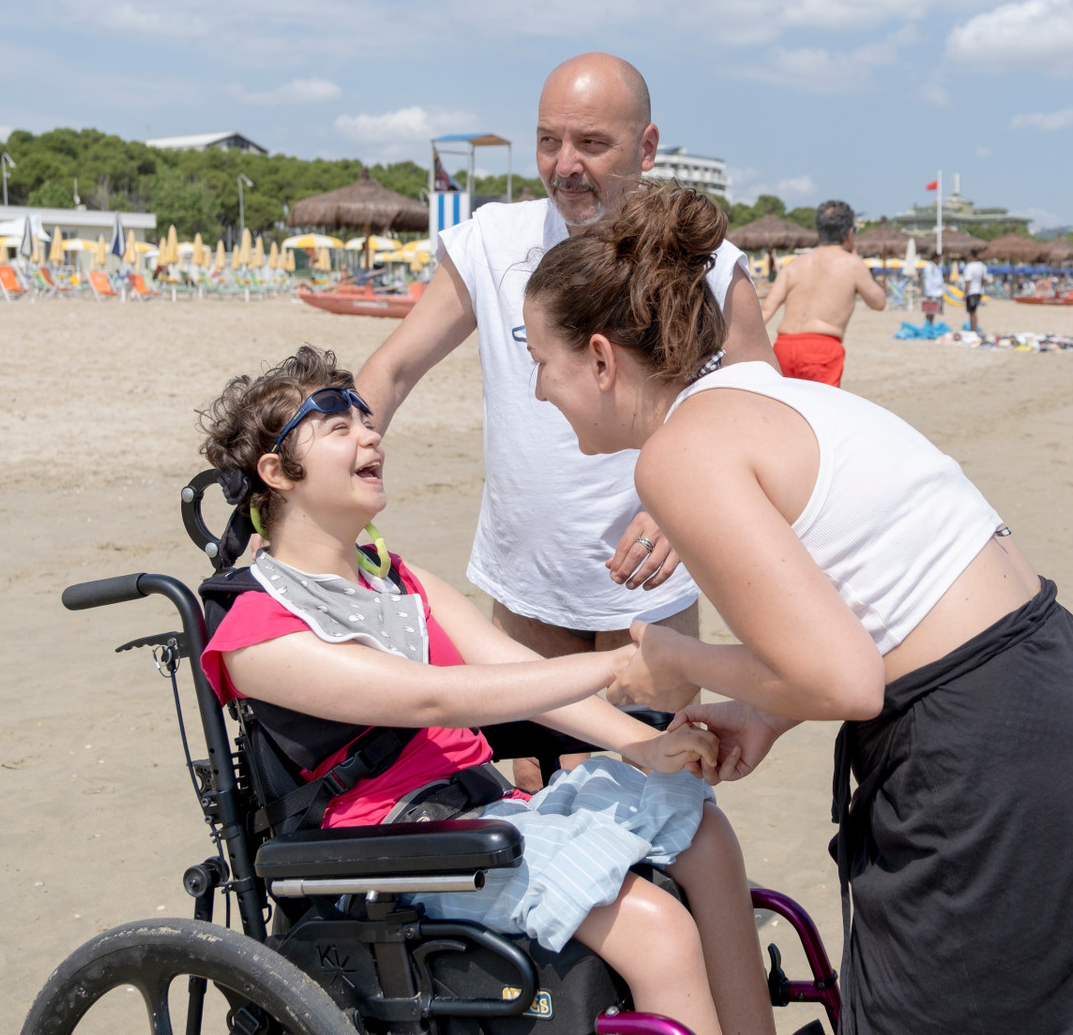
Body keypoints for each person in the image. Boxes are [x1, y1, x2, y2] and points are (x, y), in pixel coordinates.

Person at [519, 186, 1073, 1035]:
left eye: (542, 358)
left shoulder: (683, 454)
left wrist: (674, 659)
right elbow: (888, 607)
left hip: (997, 780)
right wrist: (763, 713)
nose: (539, 389)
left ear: (604, 358)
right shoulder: (775, 399)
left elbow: (844, 678)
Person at [195, 347, 774, 1035]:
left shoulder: (398, 580)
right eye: (339, 426)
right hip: (388, 854)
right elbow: (432, 698)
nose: (370, 433)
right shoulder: (255, 630)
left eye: (366, 420)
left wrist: (643, 744)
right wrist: (622, 663)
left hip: (475, 815)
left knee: (704, 834)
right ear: (274, 473)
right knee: (657, 930)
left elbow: (513, 671)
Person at [355, 54, 776, 788]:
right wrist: (328, 473)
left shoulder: (707, 266)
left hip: (650, 592)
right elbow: (391, 370)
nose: (565, 165)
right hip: (527, 584)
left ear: (647, 148)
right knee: (534, 806)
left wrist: (688, 512)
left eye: (592, 144)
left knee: (664, 801)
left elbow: (763, 404)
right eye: (549, 141)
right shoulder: (493, 244)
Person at [759, 199, 885, 387]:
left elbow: (766, 310)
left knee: (787, 411)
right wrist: (857, 259)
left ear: (819, 231)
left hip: (784, 345)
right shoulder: (852, 264)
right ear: (850, 234)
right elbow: (878, 302)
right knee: (820, 412)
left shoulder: (794, 264)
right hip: (821, 348)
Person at [961, 253, 989, 333]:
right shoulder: (983, 266)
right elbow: (984, 280)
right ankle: (973, 328)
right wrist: (982, 289)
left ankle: (973, 329)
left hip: (971, 292)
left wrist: (965, 293)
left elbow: (968, 281)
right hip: (979, 291)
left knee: (972, 312)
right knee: (973, 311)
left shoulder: (970, 266)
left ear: (971, 256)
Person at [918, 257, 945, 325]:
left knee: (933, 311)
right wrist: (929, 293)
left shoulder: (936, 267)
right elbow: (928, 280)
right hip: (932, 293)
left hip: (937, 292)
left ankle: (930, 324)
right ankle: (928, 324)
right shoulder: (929, 267)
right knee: (929, 310)